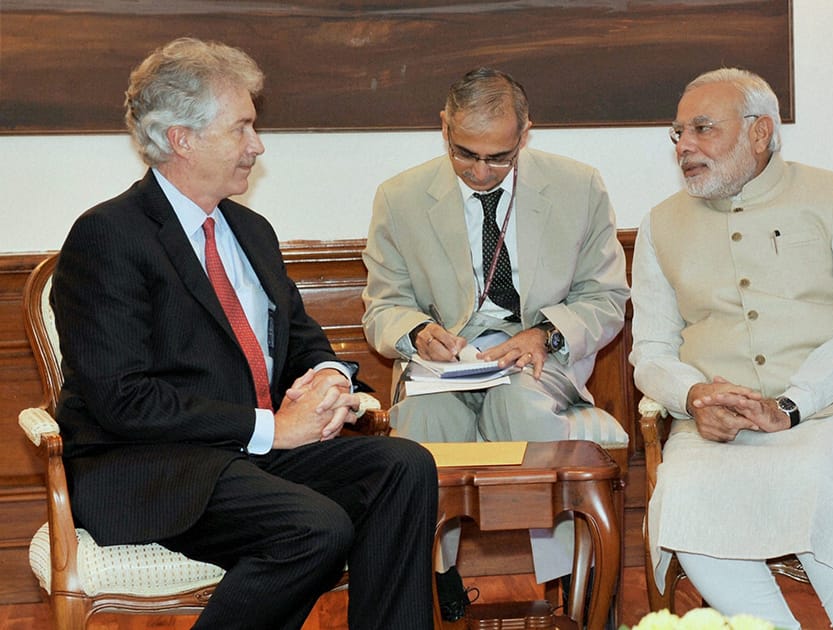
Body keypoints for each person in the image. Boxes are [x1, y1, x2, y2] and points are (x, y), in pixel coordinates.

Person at [50, 37, 437, 630]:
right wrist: (273, 429)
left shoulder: (249, 231)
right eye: (242, 128)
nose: (257, 146)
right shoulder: (109, 237)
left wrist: (331, 379)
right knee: (315, 525)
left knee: (404, 466)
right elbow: (120, 398)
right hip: (149, 469)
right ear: (181, 138)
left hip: (244, 462)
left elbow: (300, 338)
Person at [630, 68, 833, 630]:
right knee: (684, 494)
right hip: (723, 423)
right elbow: (651, 348)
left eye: (702, 128)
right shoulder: (659, 225)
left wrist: (792, 405)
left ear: (759, 133)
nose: (684, 145)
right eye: (678, 133)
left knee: (814, 477)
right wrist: (693, 396)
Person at [362, 67, 629, 621]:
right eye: (466, 154)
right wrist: (415, 332)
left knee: (521, 405)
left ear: (525, 134)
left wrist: (546, 332)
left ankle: (571, 591)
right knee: (422, 431)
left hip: (535, 354)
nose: (482, 171)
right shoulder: (401, 197)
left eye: (499, 157)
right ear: (444, 128)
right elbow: (383, 306)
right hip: (444, 361)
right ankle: (434, 581)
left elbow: (605, 297)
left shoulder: (578, 187)